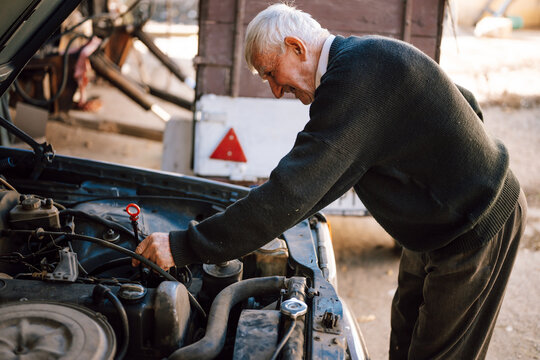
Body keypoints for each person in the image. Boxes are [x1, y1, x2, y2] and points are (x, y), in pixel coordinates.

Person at [133, 3, 527, 359]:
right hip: (433, 230)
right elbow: (466, 100)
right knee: (405, 334)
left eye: (272, 73)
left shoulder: (355, 81)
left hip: (476, 226)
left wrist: (186, 245)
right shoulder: (361, 57)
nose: (274, 91)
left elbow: (291, 194)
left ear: (296, 47)